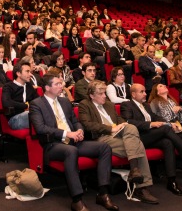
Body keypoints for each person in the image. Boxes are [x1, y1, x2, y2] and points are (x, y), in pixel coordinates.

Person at [29, 74, 117, 211]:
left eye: (61, 83)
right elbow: (41, 128)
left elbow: (75, 121)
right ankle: (77, 200)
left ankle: (103, 193)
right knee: (71, 151)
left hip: (73, 141)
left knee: (104, 148)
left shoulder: (64, 102)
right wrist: (66, 133)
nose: (62, 86)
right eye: (57, 84)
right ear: (47, 88)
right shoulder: (36, 104)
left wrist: (79, 130)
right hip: (53, 145)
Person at [78, 80, 159, 204]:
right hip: (102, 137)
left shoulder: (109, 104)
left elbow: (119, 118)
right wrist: (110, 129)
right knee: (139, 145)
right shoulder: (85, 104)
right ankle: (142, 186)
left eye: (104, 93)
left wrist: (122, 124)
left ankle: (135, 172)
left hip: (119, 134)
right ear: (92, 95)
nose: (104, 96)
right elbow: (87, 125)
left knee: (130, 127)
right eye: (101, 94)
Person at [121, 83, 182, 195]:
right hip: (138, 137)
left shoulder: (146, 106)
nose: (145, 93)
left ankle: (171, 181)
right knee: (166, 130)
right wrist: (151, 124)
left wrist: (168, 123)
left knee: (168, 142)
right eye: (141, 92)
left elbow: (157, 117)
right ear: (133, 94)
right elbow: (128, 122)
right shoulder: (127, 105)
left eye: (144, 91)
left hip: (153, 135)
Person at [2, 61, 39, 129]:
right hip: (15, 119)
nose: (30, 74)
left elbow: (39, 101)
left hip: (30, 115)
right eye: (27, 71)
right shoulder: (8, 86)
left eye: (30, 72)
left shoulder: (29, 86)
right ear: (18, 73)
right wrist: (25, 106)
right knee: (33, 115)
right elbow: (6, 102)